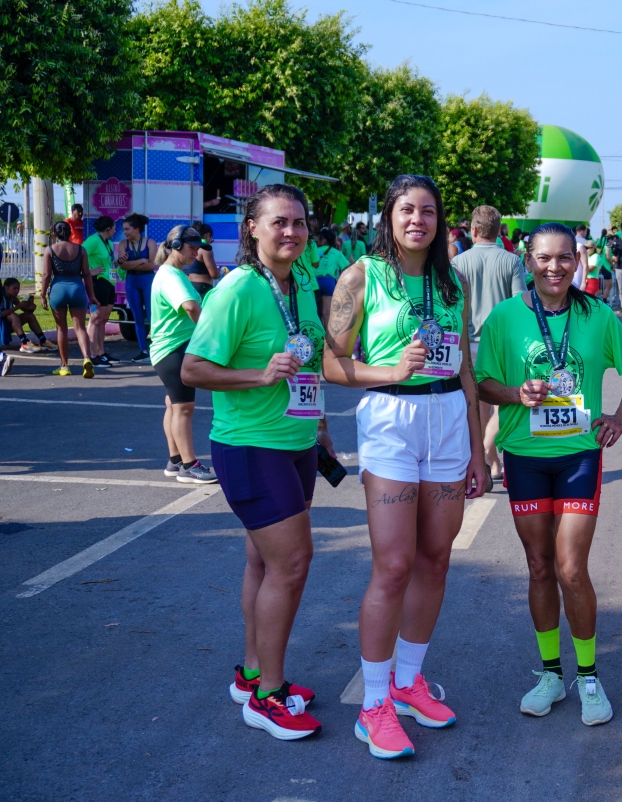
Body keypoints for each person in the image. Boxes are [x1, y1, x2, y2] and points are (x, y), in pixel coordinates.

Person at [323, 174, 488, 759]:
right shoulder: (360, 276)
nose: (418, 219)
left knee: (435, 558)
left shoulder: (452, 281)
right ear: (390, 218)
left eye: (429, 210)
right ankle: (374, 706)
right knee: (393, 565)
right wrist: (391, 371)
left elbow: (465, 368)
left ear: (441, 220)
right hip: (392, 419)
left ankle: (408, 681)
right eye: (407, 210)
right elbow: (331, 364)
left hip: (448, 419)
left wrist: (478, 449)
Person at [476, 222, 622, 725]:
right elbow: (483, 382)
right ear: (527, 260)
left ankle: (588, 676)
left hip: (578, 455)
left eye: (565, 257)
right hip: (524, 455)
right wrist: (516, 394)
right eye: (544, 258)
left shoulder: (596, 314)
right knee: (539, 566)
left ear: (578, 260)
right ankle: (551, 673)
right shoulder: (506, 317)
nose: (555, 267)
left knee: (571, 568)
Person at [181, 184, 330, 741]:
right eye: (279, 222)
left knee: (264, 563)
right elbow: (193, 368)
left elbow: (308, 360)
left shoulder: (300, 282)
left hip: (297, 442)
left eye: (299, 222)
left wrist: (322, 427)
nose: (291, 231)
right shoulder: (238, 288)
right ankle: (269, 696)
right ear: (252, 228)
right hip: (250, 445)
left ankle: (251, 675)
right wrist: (259, 375)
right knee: (291, 564)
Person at [452, 204, 528, 488]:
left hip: (466, 342)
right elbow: (520, 303)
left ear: (473, 230)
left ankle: (486, 456)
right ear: (498, 231)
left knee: (477, 403)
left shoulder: (458, 263)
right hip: (501, 343)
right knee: (502, 403)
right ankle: (488, 451)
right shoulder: (511, 261)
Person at [150, 225, 217, 484]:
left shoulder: (170, 273)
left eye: (198, 248)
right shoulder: (172, 276)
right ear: (175, 246)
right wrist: (210, 336)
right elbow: (191, 306)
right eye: (191, 247)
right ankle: (190, 466)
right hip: (174, 349)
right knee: (184, 408)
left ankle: (176, 460)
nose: (196, 253)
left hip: (168, 349)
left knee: (174, 405)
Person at [41, 220, 97, 378]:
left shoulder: (50, 250)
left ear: (55, 234)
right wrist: (92, 295)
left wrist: (42, 294)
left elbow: (46, 275)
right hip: (77, 289)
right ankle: (87, 358)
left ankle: (64, 366)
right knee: (80, 328)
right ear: (70, 232)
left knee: (61, 329)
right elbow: (87, 274)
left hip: (58, 289)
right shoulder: (81, 249)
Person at [116, 213, 158, 363]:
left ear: (136, 229)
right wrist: (141, 260)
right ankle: (143, 351)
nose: (125, 232)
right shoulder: (123, 244)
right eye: (124, 229)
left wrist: (131, 264)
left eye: (127, 229)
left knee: (153, 316)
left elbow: (152, 265)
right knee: (137, 317)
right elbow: (122, 265)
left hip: (148, 280)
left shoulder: (150, 242)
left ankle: (157, 349)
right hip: (132, 282)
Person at [3, 277, 50, 354]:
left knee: (30, 316)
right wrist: (18, 306)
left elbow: (25, 311)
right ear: (6, 288)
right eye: (14, 288)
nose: (17, 291)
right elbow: (1, 314)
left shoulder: (13, 298)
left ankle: (43, 340)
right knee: (13, 316)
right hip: (2, 326)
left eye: (18, 289)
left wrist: (30, 307)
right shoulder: (1, 298)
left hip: (7, 326)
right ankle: (25, 342)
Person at [313, 227, 350, 323]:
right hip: (329, 282)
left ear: (324, 240)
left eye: (318, 239)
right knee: (326, 313)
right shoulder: (337, 253)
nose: (316, 241)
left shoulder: (314, 251)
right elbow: (347, 268)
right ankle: (326, 332)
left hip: (313, 282)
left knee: (314, 312)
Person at [180, 222, 220, 299]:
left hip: (187, 287)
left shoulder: (186, 248)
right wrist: (220, 272)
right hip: (202, 288)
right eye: (211, 240)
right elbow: (214, 275)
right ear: (207, 235)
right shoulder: (205, 249)